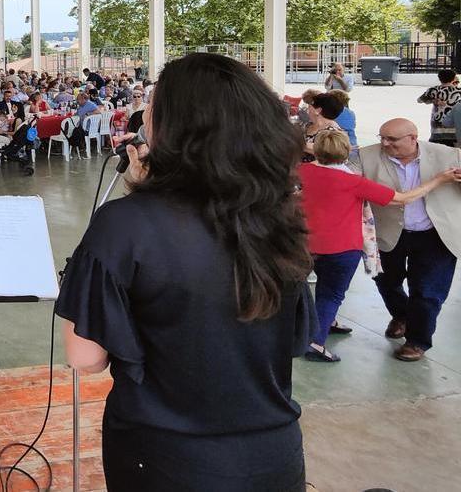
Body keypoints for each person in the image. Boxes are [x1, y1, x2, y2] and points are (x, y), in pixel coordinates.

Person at [55, 53, 314, 491]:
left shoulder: (125, 224)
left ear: (176, 127)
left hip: (167, 457)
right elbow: (290, 340)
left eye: (154, 104)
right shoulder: (278, 215)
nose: (145, 112)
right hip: (272, 454)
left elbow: (86, 358)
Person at [298, 130, 453, 362]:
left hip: (304, 245)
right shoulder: (354, 182)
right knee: (331, 293)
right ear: (348, 151)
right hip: (342, 249)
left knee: (312, 288)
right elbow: (403, 198)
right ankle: (315, 342)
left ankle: (325, 322)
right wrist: (439, 179)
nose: (384, 143)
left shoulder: (303, 171)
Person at [357, 118, 461, 361]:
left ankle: (417, 341)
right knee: (385, 280)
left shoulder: (449, 155)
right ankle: (402, 315)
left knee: (427, 290)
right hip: (388, 231)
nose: (384, 143)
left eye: (391, 139)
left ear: (413, 138)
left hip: (434, 234)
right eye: (381, 137)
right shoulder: (366, 157)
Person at [418, 69, 460, 147]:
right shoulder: (458, 91)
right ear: (454, 78)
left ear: (439, 78)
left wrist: (434, 100)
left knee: (437, 152)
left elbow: (420, 100)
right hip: (455, 127)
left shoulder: (433, 90)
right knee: (456, 154)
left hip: (437, 127)